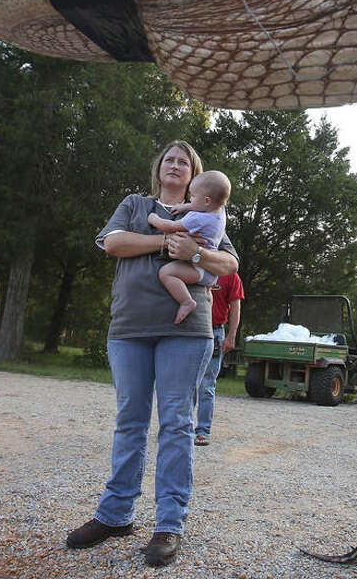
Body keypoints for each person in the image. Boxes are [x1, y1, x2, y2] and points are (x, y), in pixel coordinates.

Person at [65, 140, 238, 567]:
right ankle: (115, 514)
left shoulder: (209, 214)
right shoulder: (136, 204)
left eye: (184, 162)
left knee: (177, 423)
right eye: (170, 160)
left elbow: (228, 266)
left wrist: (195, 252)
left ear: (196, 177)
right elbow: (113, 244)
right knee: (130, 420)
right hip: (130, 327)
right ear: (159, 168)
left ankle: (168, 525)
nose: (176, 165)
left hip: (187, 332)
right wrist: (166, 245)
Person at [147, 170, 231, 324]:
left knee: (166, 273)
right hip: (210, 268)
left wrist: (154, 219)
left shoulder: (198, 218)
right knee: (208, 297)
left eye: (193, 196)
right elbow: (200, 205)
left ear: (206, 200)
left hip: (198, 268)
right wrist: (185, 207)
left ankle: (186, 301)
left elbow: (171, 226)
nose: (190, 198)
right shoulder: (219, 211)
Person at [193, 271, 243, 446]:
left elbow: (236, 306)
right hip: (190, 330)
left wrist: (231, 335)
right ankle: (180, 428)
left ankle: (203, 431)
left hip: (215, 332)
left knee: (207, 385)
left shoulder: (230, 274)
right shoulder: (193, 266)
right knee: (186, 383)